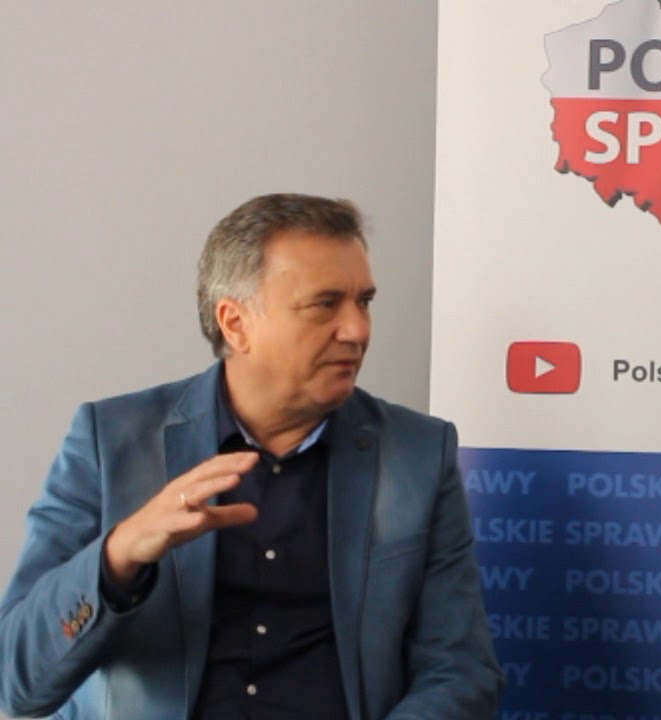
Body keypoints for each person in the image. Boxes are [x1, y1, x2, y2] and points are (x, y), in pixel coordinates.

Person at [0, 194, 502, 719]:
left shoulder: (417, 455)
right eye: (325, 304)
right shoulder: (110, 442)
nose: (357, 330)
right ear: (235, 323)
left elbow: (461, 670)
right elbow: (18, 682)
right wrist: (119, 556)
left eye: (364, 302)